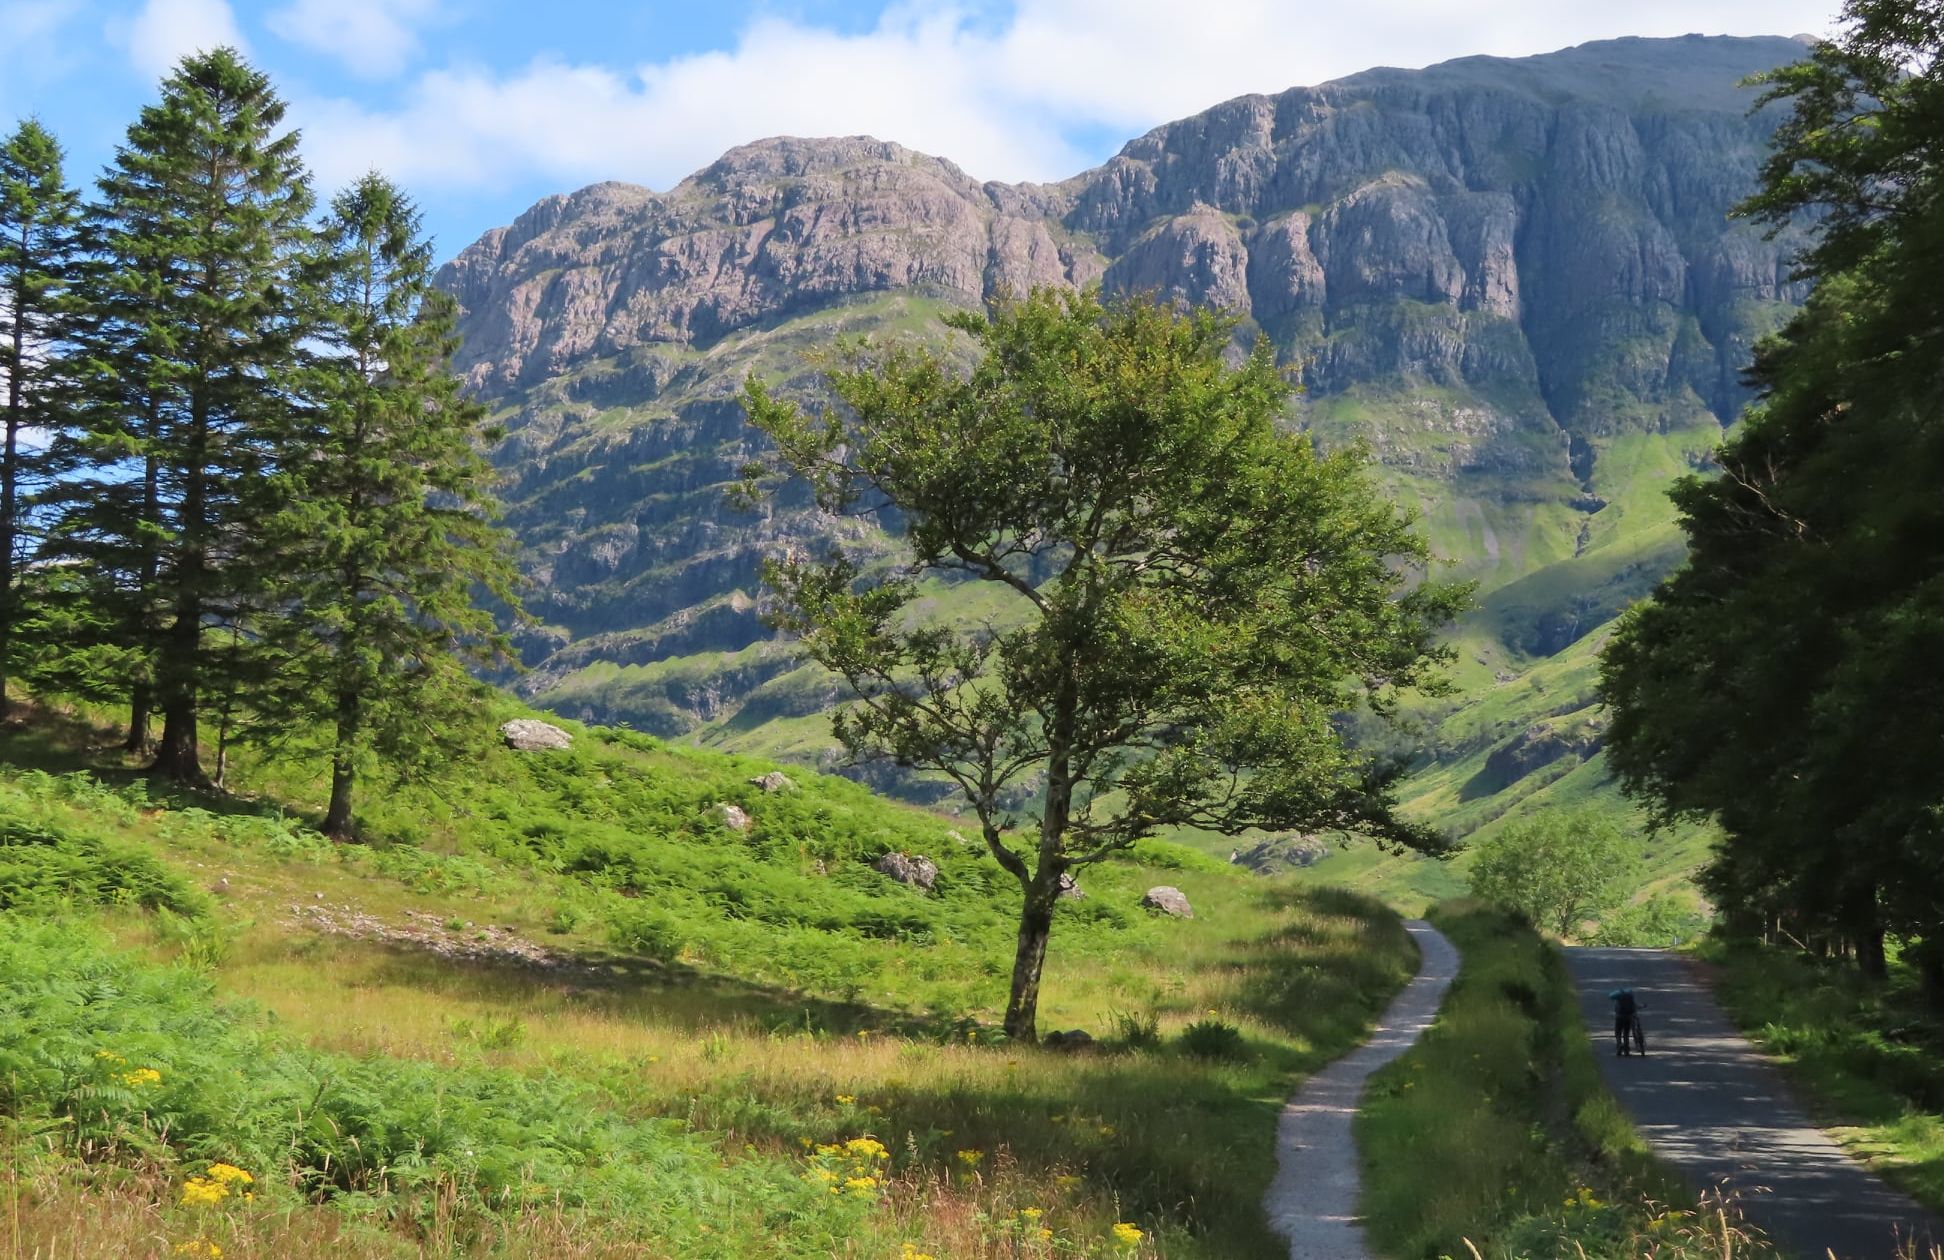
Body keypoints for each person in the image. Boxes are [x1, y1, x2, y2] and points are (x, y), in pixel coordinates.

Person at [1608, 988, 1644, 1056]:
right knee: (1626, 1033)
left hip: (1619, 1017)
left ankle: (1619, 1045)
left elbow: (1610, 996)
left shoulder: (1618, 997)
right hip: (1628, 1017)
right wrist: (1642, 1006)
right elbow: (1636, 1006)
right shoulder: (1630, 997)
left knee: (1618, 1032)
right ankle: (1626, 1049)